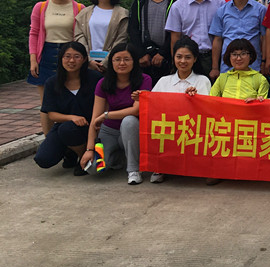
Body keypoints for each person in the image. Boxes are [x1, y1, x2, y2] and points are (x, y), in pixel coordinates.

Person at [79, 43, 152, 185]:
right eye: (117, 59)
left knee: (129, 120)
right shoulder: (103, 83)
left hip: (133, 130)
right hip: (109, 131)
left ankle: (133, 170)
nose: (122, 63)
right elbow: (95, 118)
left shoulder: (144, 80)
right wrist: (89, 149)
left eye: (127, 59)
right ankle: (118, 157)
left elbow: (135, 110)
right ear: (111, 62)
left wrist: (106, 115)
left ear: (134, 61)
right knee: (93, 168)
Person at [147, 36, 212, 184]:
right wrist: (141, 98)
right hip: (168, 127)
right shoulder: (164, 81)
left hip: (192, 128)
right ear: (173, 57)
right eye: (179, 57)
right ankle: (160, 167)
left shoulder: (203, 80)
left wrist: (194, 98)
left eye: (188, 57)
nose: (183, 61)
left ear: (195, 59)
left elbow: (207, 109)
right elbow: (152, 106)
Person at [28, 0, 84, 133]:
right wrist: (33, 60)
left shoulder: (79, 8)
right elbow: (34, 33)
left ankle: (69, 137)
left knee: (70, 98)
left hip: (70, 56)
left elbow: (83, 35)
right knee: (46, 103)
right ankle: (48, 140)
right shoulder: (41, 7)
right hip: (46, 54)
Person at [34, 42, 101, 174]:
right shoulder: (52, 82)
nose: (71, 61)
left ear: (84, 59)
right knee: (43, 159)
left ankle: (83, 158)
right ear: (61, 58)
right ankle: (71, 150)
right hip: (66, 127)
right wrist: (72, 118)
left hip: (92, 126)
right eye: (67, 56)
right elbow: (52, 114)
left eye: (76, 56)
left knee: (67, 129)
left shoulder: (95, 79)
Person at [165, 0, 225, 77]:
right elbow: (175, 37)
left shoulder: (219, 3)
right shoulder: (178, 6)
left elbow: (222, 34)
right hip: (188, 58)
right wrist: (175, 63)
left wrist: (215, 66)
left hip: (213, 58)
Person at [209, 0, 266, 80]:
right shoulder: (222, 11)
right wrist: (215, 67)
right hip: (228, 67)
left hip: (253, 66)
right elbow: (217, 39)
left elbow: (264, 38)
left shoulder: (260, 10)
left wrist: (264, 61)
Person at [128, 0, 179, 84]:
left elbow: (178, 31)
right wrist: (141, 54)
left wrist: (162, 53)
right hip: (144, 60)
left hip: (168, 58)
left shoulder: (177, 2)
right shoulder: (139, 2)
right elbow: (132, 30)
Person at [74, 0, 129, 73]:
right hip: (88, 63)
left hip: (113, 63)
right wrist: (89, 60)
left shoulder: (123, 14)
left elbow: (121, 40)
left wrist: (105, 62)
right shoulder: (84, 13)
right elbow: (79, 36)